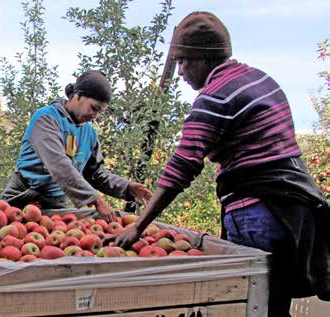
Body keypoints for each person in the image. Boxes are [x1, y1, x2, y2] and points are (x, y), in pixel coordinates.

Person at [106, 11, 330, 317]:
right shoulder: (263, 80)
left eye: (184, 61)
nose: (181, 71)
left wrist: (139, 227)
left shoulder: (214, 97)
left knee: (254, 304)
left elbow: (181, 168)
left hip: (258, 210)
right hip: (295, 209)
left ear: (202, 58)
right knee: (276, 303)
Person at [1, 71, 152, 222]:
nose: (96, 115)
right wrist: (95, 199)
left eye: (101, 111)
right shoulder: (46, 119)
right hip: (22, 198)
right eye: (94, 108)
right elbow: (58, 164)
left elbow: (96, 174)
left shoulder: (89, 133)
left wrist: (127, 187)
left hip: (55, 205)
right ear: (77, 95)